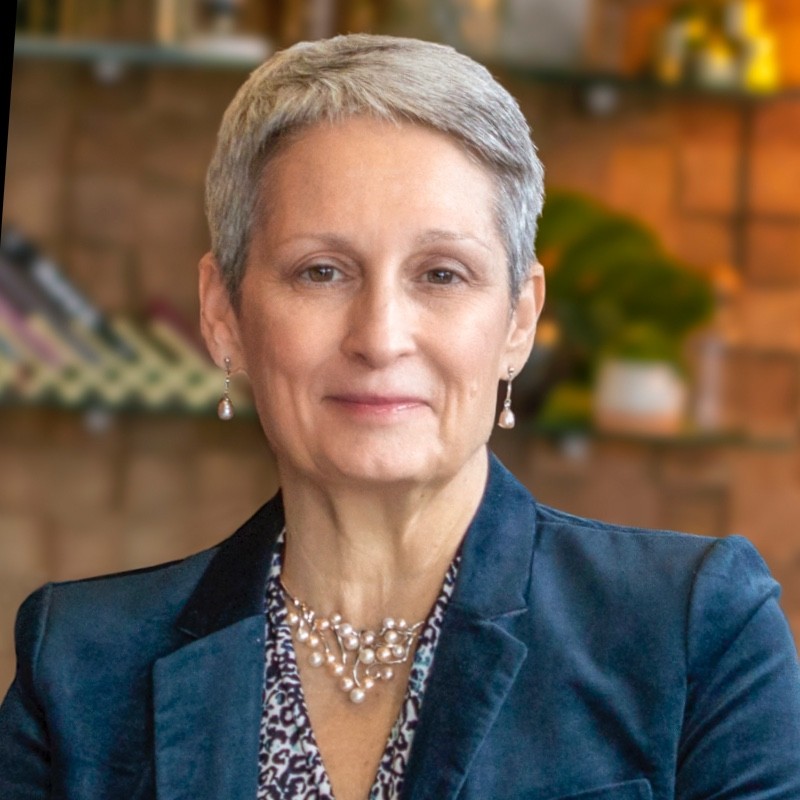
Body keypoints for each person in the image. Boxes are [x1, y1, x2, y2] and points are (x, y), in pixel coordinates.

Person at [1, 33, 799, 800]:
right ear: (223, 314)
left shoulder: (695, 631)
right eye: (321, 271)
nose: (380, 338)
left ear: (519, 321)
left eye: (441, 274)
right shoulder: (78, 663)